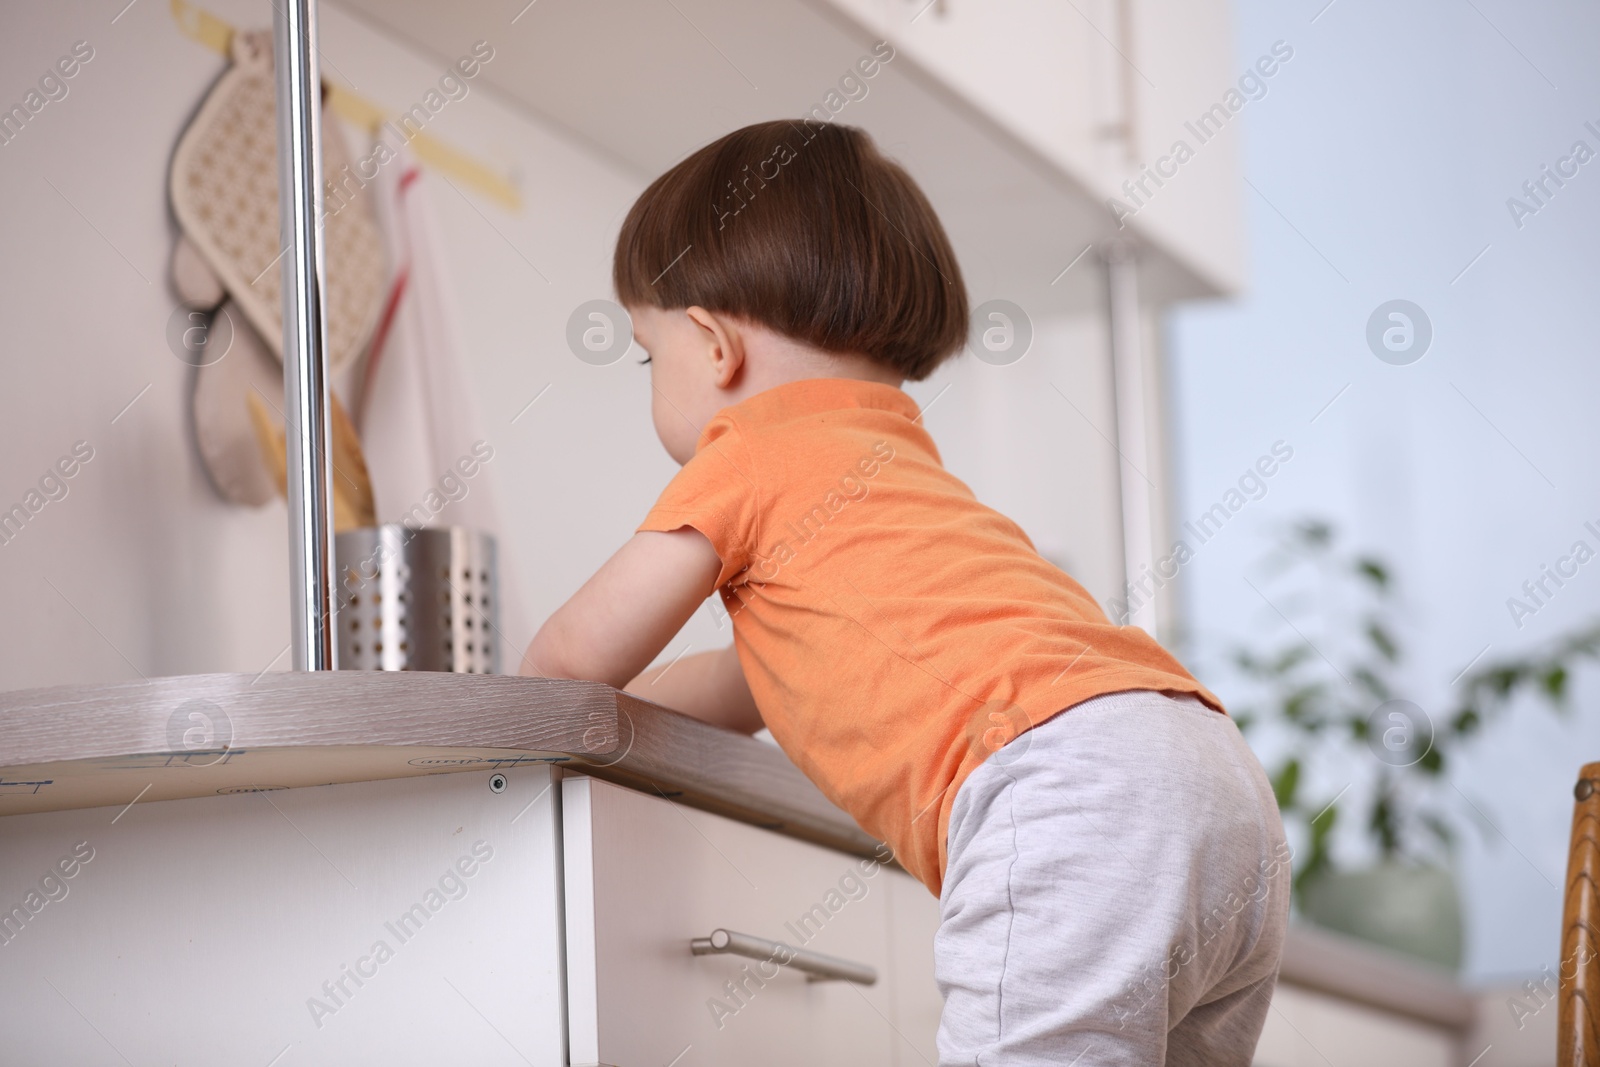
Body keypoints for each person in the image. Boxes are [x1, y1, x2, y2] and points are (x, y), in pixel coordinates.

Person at [521, 117, 1290, 1066]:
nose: (653, 383)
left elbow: (565, 665)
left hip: (1065, 787)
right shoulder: (896, 484)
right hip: (1211, 774)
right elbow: (745, 685)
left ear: (713, 347)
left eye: (649, 355)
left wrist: (522, 722)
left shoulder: (749, 452)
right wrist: (620, 727)